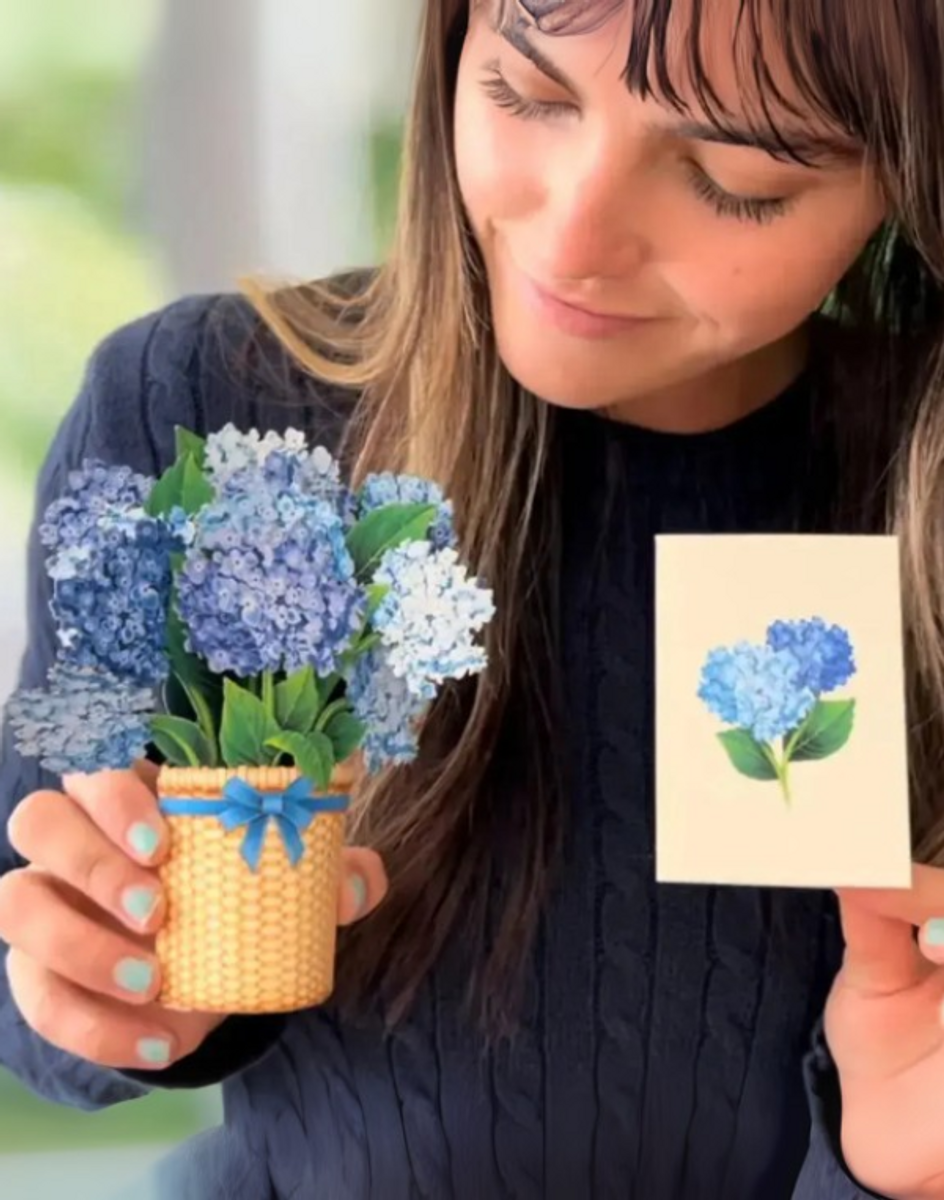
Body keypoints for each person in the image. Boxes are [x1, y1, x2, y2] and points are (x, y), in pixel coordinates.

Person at [2, 0, 944, 1196]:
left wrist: (886, 1168)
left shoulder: (919, 483)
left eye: (733, 177)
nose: (572, 235)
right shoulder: (205, 411)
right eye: (527, 96)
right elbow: (31, 993)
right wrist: (107, 979)